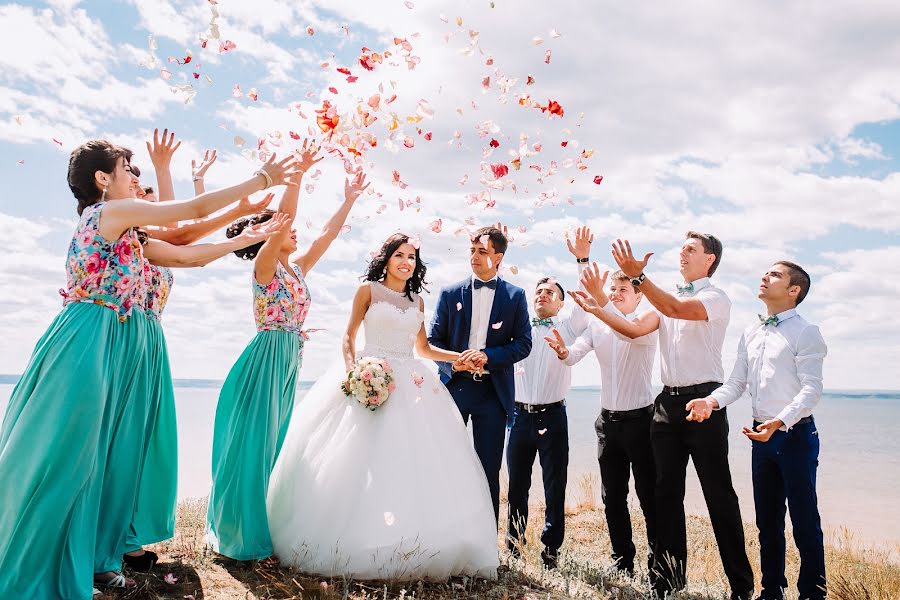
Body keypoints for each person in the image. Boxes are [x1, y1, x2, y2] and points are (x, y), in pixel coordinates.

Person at [0, 139, 296, 598]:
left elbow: (185, 251)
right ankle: (37, 563)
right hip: (88, 337)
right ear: (103, 179)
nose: (135, 178)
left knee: (109, 456)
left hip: (116, 341)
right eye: (126, 169)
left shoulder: (128, 234)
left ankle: (97, 558)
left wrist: (244, 236)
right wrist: (260, 180)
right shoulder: (106, 215)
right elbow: (190, 209)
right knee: (70, 455)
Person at [266, 233, 499, 580]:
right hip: (369, 373)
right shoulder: (368, 291)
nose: (407, 262)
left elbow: (424, 350)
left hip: (412, 383)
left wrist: (458, 360)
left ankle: (411, 538)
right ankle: (353, 537)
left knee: (412, 464)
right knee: (355, 460)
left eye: (412, 257)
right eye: (399, 255)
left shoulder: (417, 302)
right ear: (386, 259)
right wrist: (353, 372)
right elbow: (348, 336)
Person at [207, 143, 367, 561]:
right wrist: (296, 177)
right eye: (284, 229)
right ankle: (239, 533)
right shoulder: (264, 266)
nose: (294, 232)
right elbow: (287, 219)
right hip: (265, 359)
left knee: (274, 443)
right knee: (254, 443)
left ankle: (262, 518)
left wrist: (348, 199)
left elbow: (328, 235)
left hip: (289, 359)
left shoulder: (297, 268)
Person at [123, 132, 276, 572]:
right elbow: (179, 224)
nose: (150, 201)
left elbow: (179, 229)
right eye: (144, 193)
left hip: (150, 343)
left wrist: (182, 178)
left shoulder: (155, 242)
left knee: (145, 442)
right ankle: (118, 540)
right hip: (124, 336)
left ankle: (130, 537)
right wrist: (171, 172)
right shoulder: (136, 241)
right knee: (126, 440)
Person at [576, 233, 754, 599]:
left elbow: (674, 308)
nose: (683, 253)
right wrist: (600, 309)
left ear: (710, 259)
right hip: (666, 408)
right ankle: (667, 583)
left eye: (692, 249)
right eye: (682, 248)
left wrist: (639, 279)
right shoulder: (662, 299)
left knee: (718, 496)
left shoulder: (714, 297)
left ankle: (742, 587)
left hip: (705, 402)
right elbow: (633, 329)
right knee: (664, 496)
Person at [686, 262, 827, 600]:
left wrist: (779, 421)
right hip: (760, 438)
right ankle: (771, 592)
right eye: (765, 272)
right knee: (768, 523)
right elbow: (736, 383)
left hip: (794, 436)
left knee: (805, 521)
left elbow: (812, 390)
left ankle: (812, 593)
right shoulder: (751, 331)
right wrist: (711, 401)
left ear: (794, 290)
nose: (764, 277)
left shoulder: (807, 332)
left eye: (775, 275)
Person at [428, 226, 532, 523]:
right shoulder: (449, 294)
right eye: (472, 250)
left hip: (493, 393)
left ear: (498, 257)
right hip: (453, 388)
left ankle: (485, 543)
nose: (474, 256)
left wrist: (488, 356)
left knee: (488, 469)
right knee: (445, 461)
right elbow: (433, 342)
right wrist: (454, 364)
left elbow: (524, 343)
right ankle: (442, 531)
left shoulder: (515, 296)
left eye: (482, 251)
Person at [505, 226, 592, 568]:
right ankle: (513, 544)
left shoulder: (570, 327)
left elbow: (586, 298)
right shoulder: (519, 328)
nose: (542, 295)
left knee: (555, 486)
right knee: (517, 487)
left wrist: (582, 261)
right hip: (519, 417)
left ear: (561, 302)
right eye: (539, 291)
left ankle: (551, 552)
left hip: (553, 417)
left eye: (550, 292)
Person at [565, 265, 659, 577]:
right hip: (607, 424)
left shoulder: (644, 326)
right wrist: (562, 351)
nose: (616, 295)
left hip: (642, 423)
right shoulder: (597, 325)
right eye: (613, 290)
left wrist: (601, 304)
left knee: (649, 497)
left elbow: (623, 329)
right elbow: (574, 354)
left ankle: (659, 566)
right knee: (613, 498)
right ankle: (622, 561)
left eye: (623, 290)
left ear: (638, 296)